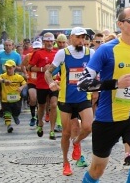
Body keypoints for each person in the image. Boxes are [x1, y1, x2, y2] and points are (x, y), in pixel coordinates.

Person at [78, 7, 130, 183]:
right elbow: (82, 84)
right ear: (120, 24)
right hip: (107, 119)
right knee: (97, 170)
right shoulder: (106, 50)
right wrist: (115, 84)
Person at [45, 27, 94, 176]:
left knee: (88, 127)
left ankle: (77, 142)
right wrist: (51, 83)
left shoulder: (90, 53)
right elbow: (48, 72)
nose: (81, 40)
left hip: (83, 97)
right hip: (66, 98)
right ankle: (65, 162)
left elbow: (99, 71)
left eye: (83, 37)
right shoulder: (63, 53)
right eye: (78, 37)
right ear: (71, 38)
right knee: (66, 133)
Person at [28, 32, 58, 139]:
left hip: (54, 83)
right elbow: (29, 68)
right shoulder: (38, 53)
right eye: (47, 41)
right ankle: (40, 123)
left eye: (51, 41)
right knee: (41, 106)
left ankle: (52, 130)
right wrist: (42, 69)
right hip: (41, 84)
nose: (49, 43)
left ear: (54, 42)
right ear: (44, 42)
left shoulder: (57, 53)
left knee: (54, 105)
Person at [0, 60, 26, 133]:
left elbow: (24, 83)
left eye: (10, 68)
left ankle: (15, 116)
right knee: (7, 112)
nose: (8, 70)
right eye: (7, 68)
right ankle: (9, 125)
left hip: (16, 99)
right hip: (5, 99)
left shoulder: (19, 77)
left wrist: (21, 88)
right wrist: (4, 81)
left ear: (14, 68)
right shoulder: (3, 76)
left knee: (17, 111)